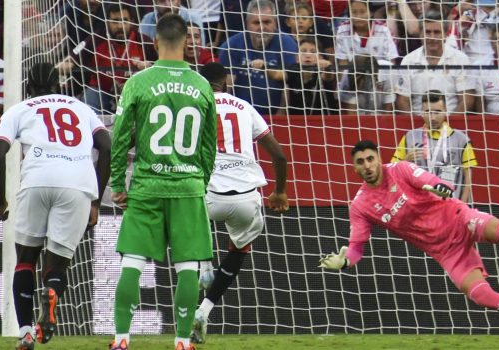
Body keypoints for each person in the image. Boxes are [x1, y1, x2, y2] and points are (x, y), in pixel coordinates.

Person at [319, 140, 499, 336]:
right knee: (482, 296)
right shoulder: (360, 205)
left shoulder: (401, 169)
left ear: (379, 158)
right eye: (360, 162)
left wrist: (438, 187)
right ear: (354, 168)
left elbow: (436, 182)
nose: (367, 165)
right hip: (445, 251)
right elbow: (356, 248)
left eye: (370, 158)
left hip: (457, 218)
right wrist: (344, 263)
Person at [108, 14, 216, 350]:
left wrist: (116, 184)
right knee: (187, 266)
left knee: (132, 262)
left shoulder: (137, 83)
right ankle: (182, 341)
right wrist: (199, 182)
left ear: (155, 42)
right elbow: (209, 147)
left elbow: (120, 138)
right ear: (187, 42)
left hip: (146, 187)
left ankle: (121, 339)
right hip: (188, 187)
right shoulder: (202, 86)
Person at [0, 62, 111, 350]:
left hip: (37, 179)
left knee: (25, 259)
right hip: (77, 185)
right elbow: (106, 146)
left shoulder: (20, 109)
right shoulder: (82, 108)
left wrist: (1, 200)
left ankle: (26, 333)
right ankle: (52, 291)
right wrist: (95, 199)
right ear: (58, 85)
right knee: (57, 265)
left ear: (28, 86)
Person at [189, 62, 289, 344]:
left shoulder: (194, 107)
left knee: (186, 216)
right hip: (246, 195)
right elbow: (279, 156)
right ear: (226, 83)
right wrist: (280, 192)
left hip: (208, 194)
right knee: (239, 249)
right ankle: (204, 310)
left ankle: (204, 265)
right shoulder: (244, 107)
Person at [391, 92, 476, 202]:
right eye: (428, 112)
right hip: (419, 205)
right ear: (422, 112)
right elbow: (392, 171)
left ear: (445, 110)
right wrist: (405, 160)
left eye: (437, 112)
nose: (433, 117)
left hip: (451, 206)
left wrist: (462, 206)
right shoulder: (410, 137)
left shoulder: (461, 139)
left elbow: (468, 180)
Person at [218, 0, 298, 115]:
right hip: (240, 115)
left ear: (275, 23)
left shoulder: (288, 44)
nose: (262, 27)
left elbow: (289, 82)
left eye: (267, 22)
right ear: (247, 24)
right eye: (256, 23)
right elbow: (226, 88)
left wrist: (280, 118)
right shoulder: (230, 46)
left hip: (276, 116)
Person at [395, 11, 475, 114]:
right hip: (418, 124)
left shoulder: (460, 59)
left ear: (446, 34)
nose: (432, 37)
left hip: (452, 123)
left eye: (437, 32)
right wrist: (417, 127)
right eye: (427, 32)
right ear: (420, 34)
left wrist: (449, 127)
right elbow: (403, 100)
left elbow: (467, 99)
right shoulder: (408, 60)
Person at [250, 37, 338, 116]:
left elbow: (328, 77)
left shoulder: (324, 70)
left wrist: (327, 68)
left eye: (313, 52)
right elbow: (276, 75)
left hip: (325, 121)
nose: (308, 55)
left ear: (320, 57)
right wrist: (263, 67)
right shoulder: (293, 70)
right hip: (297, 121)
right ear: (297, 57)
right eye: (303, 51)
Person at [334, 0, 399, 67]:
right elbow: (343, 62)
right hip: (352, 75)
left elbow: (392, 62)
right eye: (354, 12)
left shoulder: (384, 30)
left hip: (380, 74)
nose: (358, 16)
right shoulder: (342, 30)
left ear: (371, 13)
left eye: (363, 12)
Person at [140, 0, 205, 41]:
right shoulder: (147, 20)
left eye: (172, 0)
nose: (168, 5)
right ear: (154, 2)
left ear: (179, 1)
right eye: (162, 1)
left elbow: (201, 52)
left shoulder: (193, 18)